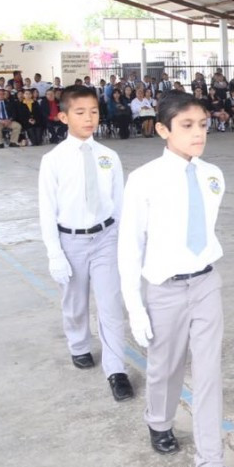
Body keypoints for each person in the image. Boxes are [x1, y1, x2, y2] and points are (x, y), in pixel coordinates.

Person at [118, 92, 234, 467]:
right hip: (164, 290)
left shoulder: (214, 175)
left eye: (203, 124)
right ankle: (158, 420)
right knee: (164, 368)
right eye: (187, 126)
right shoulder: (144, 180)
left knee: (208, 373)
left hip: (206, 283)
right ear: (162, 130)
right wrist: (135, 308)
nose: (198, 133)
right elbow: (129, 246)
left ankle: (211, 461)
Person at [37, 85, 133, 402]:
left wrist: (125, 243)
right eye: (80, 113)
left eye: (93, 111)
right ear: (64, 116)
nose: (89, 118)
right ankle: (78, 344)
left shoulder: (109, 157)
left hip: (105, 238)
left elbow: (119, 205)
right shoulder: (54, 160)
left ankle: (116, 370)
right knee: (75, 304)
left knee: (111, 306)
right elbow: (47, 210)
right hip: (71, 241)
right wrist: (55, 255)